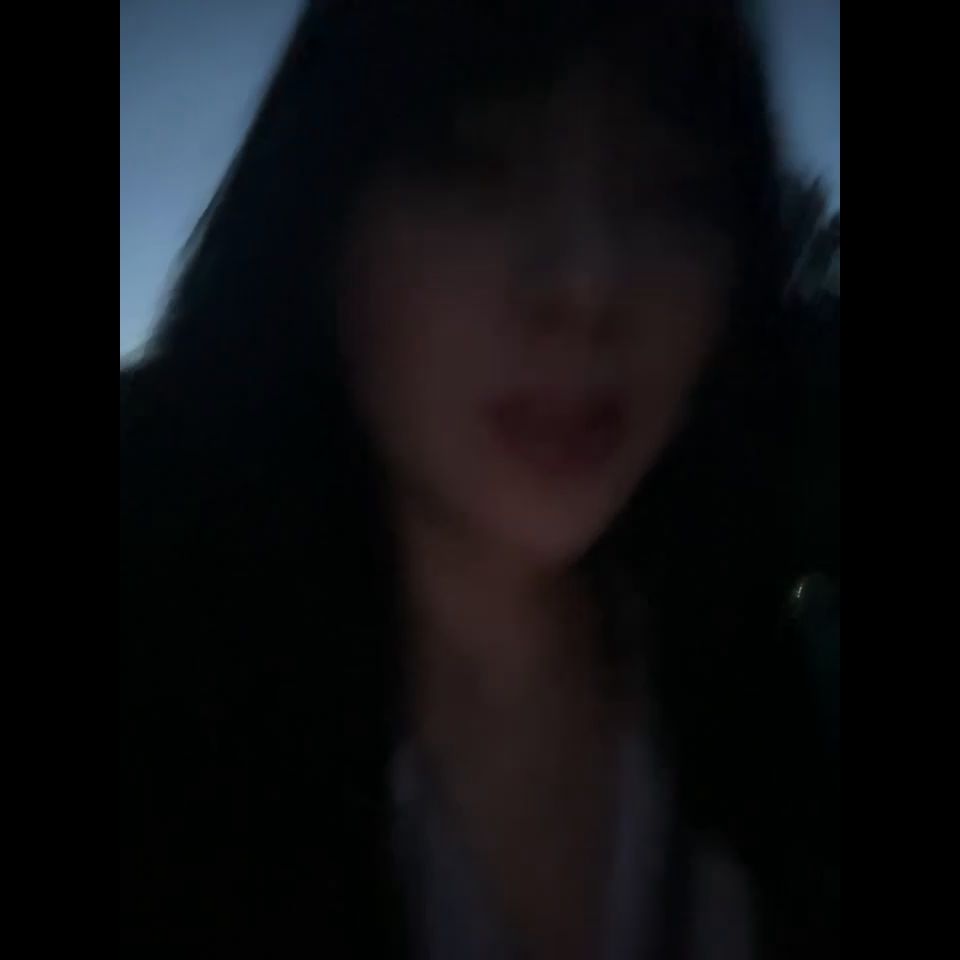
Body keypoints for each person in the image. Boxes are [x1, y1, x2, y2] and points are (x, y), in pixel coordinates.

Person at [120, 1, 838, 956]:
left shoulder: (745, 680)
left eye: (670, 191)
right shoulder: (167, 701)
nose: (587, 285)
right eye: (477, 165)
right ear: (324, 220)